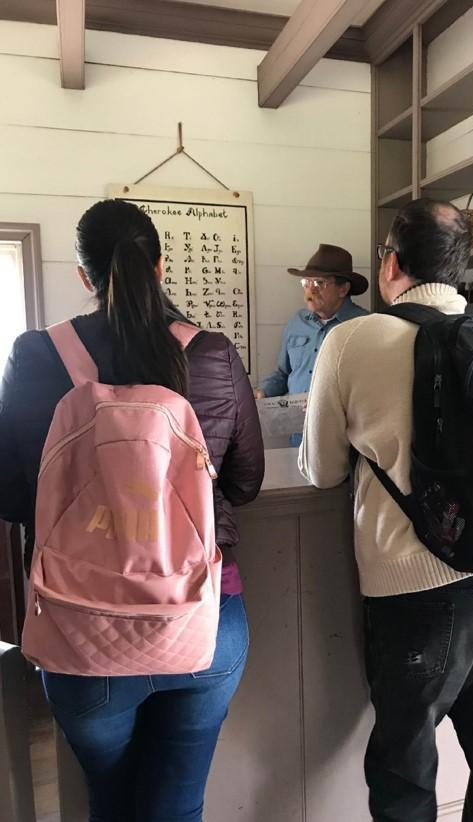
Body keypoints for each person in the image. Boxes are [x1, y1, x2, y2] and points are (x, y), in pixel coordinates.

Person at [0, 199, 264, 822]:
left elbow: (12, 496)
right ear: (162, 266)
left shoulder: (35, 354)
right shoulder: (213, 354)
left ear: (86, 276)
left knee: (110, 804)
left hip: (78, 627)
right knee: (178, 805)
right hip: (204, 620)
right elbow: (246, 482)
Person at [299, 199, 473, 822]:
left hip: (420, 599)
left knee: (406, 782)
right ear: (461, 266)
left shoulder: (352, 339)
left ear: (390, 263)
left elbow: (322, 469)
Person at [255, 244, 369, 399]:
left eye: (319, 283)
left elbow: (369, 386)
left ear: (343, 289)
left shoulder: (364, 326)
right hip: (294, 420)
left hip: (340, 421)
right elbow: (283, 374)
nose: (310, 290)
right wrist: (264, 391)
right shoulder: (297, 322)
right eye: (306, 283)